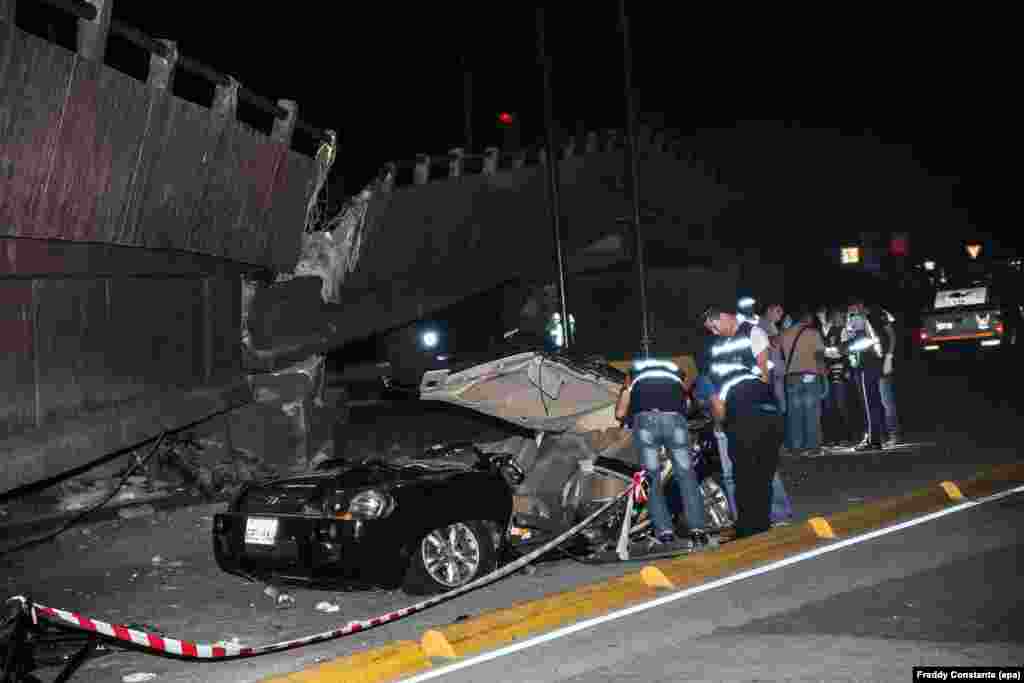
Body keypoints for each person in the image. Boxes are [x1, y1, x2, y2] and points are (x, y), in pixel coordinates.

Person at [702, 304, 784, 538]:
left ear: (726, 316)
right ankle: (760, 525)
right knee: (760, 474)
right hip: (763, 411)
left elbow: (764, 373)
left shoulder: (752, 332)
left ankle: (750, 527)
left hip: (746, 413)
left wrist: (721, 423)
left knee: (747, 475)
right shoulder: (718, 347)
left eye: (714, 326)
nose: (714, 333)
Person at [615, 357, 710, 551]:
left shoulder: (634, 375)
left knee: (651, 479)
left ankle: (665, 533)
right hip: (675, 421)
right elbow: (690, 406)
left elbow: (619, 413)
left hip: (645, 422)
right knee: (686, 475)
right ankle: (698, 531)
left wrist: (627, 413)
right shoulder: (675, 375)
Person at [779, 308, 827, 454]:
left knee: (794, 414)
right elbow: (819, 356)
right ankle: (813, 446)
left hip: (791, 376)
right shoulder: (813, 333)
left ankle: (796, 446)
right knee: (812, 412)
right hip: (811, 375)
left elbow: (782, 356)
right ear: (806, 318)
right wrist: (823, 374)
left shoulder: (784, 334)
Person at [844, 299, 886, 451]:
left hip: (866, 364)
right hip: (871, 363)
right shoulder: (870, 318)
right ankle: (875, 436)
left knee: (869, 403)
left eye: (853, 309)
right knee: (873, 401)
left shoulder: (861, 319)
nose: (851, 312)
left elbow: (862, 341)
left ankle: (873, 439)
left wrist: (847, 349)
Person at [822, 307, 856, 446]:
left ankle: (846, 436)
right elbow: (825, 351)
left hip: (841, 372)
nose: (839, 318)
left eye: (841, 316)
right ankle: (832, 437)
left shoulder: (844, 331)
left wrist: (834, 353)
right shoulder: (829, 331)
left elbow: (845, 351)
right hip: (829, 372)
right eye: (837, 316)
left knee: (841, 404)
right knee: (830, 406)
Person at [877, 307, 902, 446]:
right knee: (875, 401)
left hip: (883, 363)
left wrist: (889, 357)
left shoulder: (880, 313)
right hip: (869, 364)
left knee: (886, 400)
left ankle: (894, 434)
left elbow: (892, 335)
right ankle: (878, 435)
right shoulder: (855, 318)